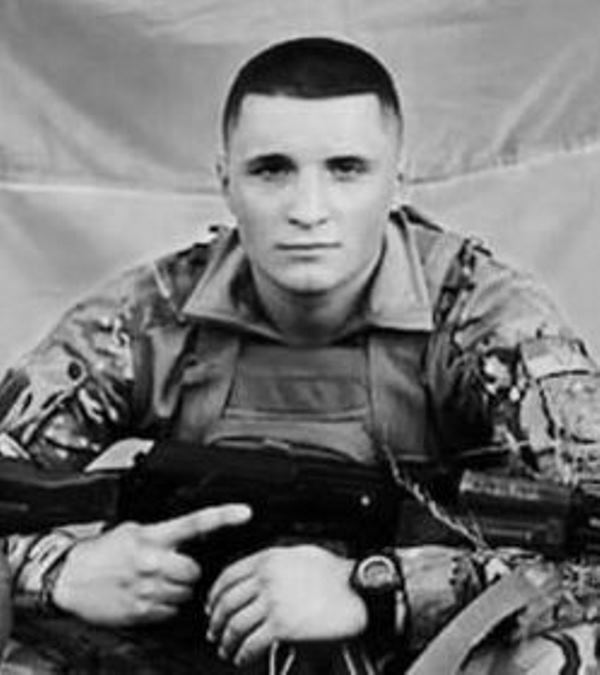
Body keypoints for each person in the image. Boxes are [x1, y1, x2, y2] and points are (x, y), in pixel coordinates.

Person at [1, 36, 600, 674]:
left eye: (346, 169)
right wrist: (58, 571)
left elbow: (591, 542)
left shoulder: (482, 318)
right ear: (225, 182)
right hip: (189, 644)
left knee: (564, 654)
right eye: (271, 170)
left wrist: (376, 589)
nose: (308, 211)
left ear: (397, 182)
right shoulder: (149, 317)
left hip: (417, 654)